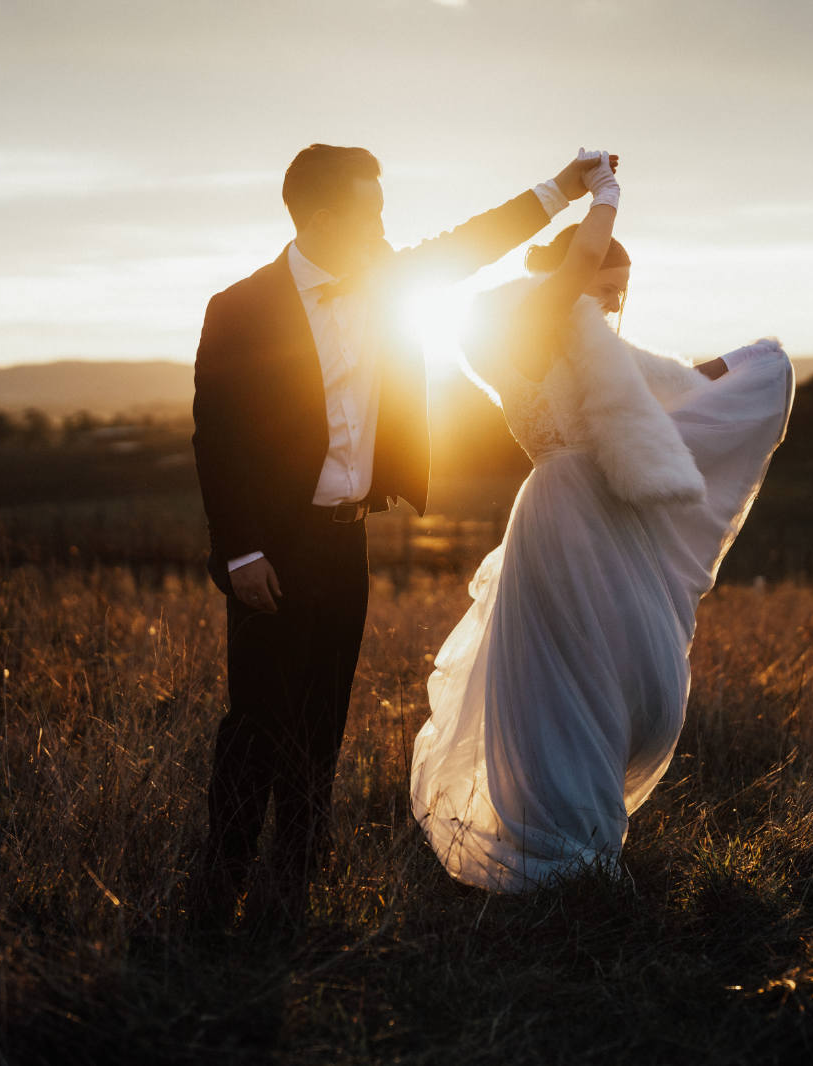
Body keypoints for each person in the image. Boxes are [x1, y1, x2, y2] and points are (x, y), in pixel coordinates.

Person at [188, 143, 614, 928]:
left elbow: (472, 241)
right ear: (322, 218)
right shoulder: (239, 309)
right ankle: (217, 892)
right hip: (269, 554)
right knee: (254, 721)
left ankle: (294, 889)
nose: (385, 225)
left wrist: (563, 188)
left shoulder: (385, 280)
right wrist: (241, 551)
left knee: (321, 721)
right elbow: (217, 442)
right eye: (371, 211)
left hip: (345, 545)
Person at [409, 153, 796, 892]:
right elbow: (581, 258)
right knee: (567, 680)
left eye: (620, 295)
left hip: (617, 519)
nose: (612, 306)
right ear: (570, 278)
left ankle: (590, 840)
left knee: (629, 672)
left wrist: (753, 362)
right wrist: (604, 197)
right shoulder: (517, 326)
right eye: (603, 289)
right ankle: (567, 853)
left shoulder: (594, 346)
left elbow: (679, 388)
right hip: (562, 517)